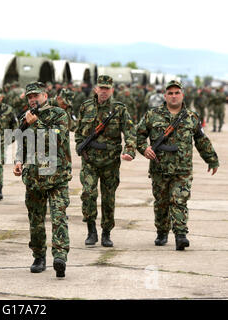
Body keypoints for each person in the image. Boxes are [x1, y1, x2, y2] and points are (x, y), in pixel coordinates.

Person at [136, 80, 219, 250]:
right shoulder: (152, 115)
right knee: (161, 203)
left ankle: (181, 235)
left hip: (183, 169)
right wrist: (144, 149)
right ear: (165, 96)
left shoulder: (191, 117)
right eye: (170, 93)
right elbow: (137, 136)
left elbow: (201, 140)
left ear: (182, 95)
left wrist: (211, 159)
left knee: (179, 200)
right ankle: (162, 231)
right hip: (159, 168)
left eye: (177, 93)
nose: (174, 96)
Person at [13, 81, 71, 278]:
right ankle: (39, 256)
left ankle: (60, 256)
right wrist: (18, 161)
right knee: (36, 221)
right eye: (29, 97)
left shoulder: (59, 114)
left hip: (57, 178)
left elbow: (56, 139)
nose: (33, 99)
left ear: (45, 96)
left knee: (59, 217)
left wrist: (34, 123)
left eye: (36, 95)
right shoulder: (25, 118)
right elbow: (22, 143)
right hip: (34, 178)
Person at [74, 75, 136, 247]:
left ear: (112, 90)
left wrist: (129, 150)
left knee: (108, 199)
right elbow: (78, 131)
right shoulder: (86, 107)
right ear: (96, 89)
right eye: (101, 88)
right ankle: (91, 230)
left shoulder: (119, 109)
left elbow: (130, 132)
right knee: (88, 193)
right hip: (90, 161)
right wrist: (80, 146)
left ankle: (106, 233)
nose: (103, 91)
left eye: (107, 88)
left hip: (110, 161)